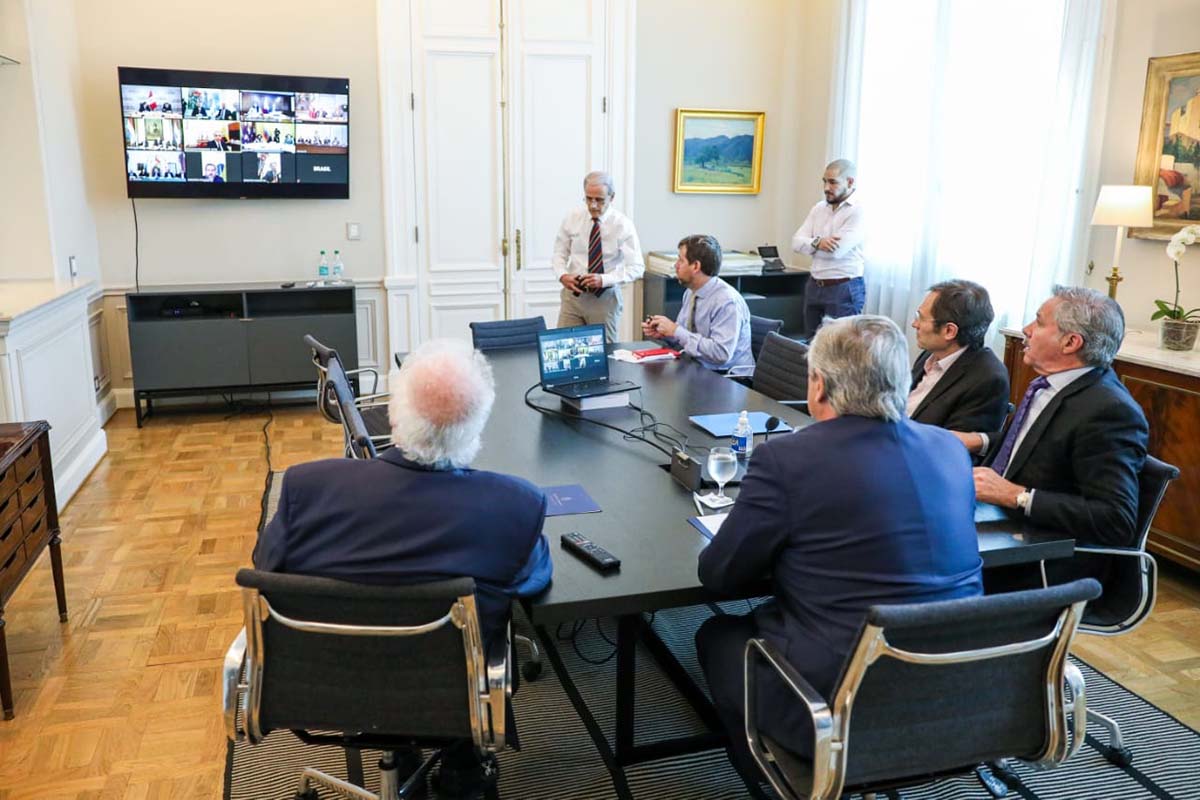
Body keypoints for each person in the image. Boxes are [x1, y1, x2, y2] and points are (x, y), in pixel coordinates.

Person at [254, 338, 552, 799]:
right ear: (477, 428)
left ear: (393, 417)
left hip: (328, 681)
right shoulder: (515, 506)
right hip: (453, 695)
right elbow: (533, 579)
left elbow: (267, 567)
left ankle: (406, 758)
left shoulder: (307, 490)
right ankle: (463, 768)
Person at [694, 314, 982, 785]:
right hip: (958, 688)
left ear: (820, 385)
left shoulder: (786, 459)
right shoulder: (949, 450)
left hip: (840, 702)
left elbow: (719, 575)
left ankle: (779, 778)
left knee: (716, 636)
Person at [957, 286, 1148, 581]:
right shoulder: (1052, 384)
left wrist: (1017, 496)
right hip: (997, 524)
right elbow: (1030, 446)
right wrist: (971, 441)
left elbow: (1115, 519)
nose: (1026, 330)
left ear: (1071, 342)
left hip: (1043, 562)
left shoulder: (1110, 411)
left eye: (1039, 322)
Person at [551, 171, 645, 342]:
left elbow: (637, 267)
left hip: (605, 299)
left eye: (600, 200)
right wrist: (562, 275)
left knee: (603, 356)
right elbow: (559, 253)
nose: (593, 205)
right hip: (573, 297)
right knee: (564, 349)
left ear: (612, 197)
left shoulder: (622, 225)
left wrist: (604, 279)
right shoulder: (572, 218)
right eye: (588, 198)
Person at [908, 279, 1010, 435]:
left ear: (949, 331)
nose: (914, 324)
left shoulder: (987, 379)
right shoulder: (930, 354)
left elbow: (953, 447)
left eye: (920, 318)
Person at [642, 234, 753, 371]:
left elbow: (721, 353)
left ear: (695, 266)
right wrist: (667, 333)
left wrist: (676, 331)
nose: (676, 265)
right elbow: (685, 336)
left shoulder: (727, 302)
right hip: (698, 367)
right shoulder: (691, 292)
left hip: (728, 378)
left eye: (680, 260)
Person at [790, 159, 867, 340]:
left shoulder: (858, 211)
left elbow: (836, 250)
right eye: (824, 181)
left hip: (843, 287)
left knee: (838, 349)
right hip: (815, 285)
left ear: (849, 182)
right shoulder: (818, 208)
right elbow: (795, 242)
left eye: (833, 182)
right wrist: (818, 243)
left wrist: (810, 244)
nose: (826, 187)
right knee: (811, 345)